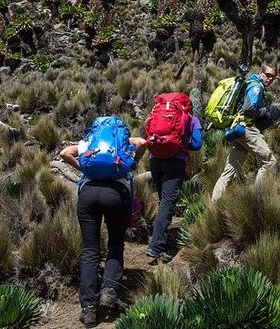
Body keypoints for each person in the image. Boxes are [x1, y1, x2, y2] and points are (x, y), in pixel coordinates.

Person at [59, 119, 146, 327]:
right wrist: (131, 164)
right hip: (115, 194)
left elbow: (64, 153)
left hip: (88, 194)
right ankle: (109, 291)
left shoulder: (89, 143)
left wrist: (84, 168)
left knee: (89, 249)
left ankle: (88, 309)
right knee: (116, 243)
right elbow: (142, 142)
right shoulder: (123, 142)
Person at [210, 65, 280, 202]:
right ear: (261, 72)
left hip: (237, 130)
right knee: (268, 161)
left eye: (273, 77)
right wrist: (265, 111)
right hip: (247, 128)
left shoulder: (247, 83)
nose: (270, 79)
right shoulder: (256, 87)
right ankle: (260, 201)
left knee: (229, 171)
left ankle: (215, 206)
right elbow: (249, 109)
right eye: (268, 75)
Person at [146, 104, 202, 264]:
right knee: (167, 203)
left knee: (163, 201)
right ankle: (156, 246)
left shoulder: (157, 114)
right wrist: (182, 142)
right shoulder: (192, 119)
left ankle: (161, 242)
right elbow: (197, 144)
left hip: (155, 160)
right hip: (175, 162)